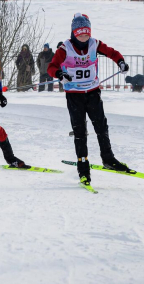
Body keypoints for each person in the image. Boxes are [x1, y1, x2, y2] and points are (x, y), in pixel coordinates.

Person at [47, 13, 131, 186]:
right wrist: (59, 74)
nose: (84, 37)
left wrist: (121, 62)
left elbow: (112, 52)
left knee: (101, 126)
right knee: (80, 132)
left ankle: (108, 159)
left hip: (92, 92)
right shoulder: (65, 48)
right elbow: (52, 67)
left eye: (86, 33)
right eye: (80, 33)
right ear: (74, 33)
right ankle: (83, 169)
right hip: (74, 96)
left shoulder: (94, 44)